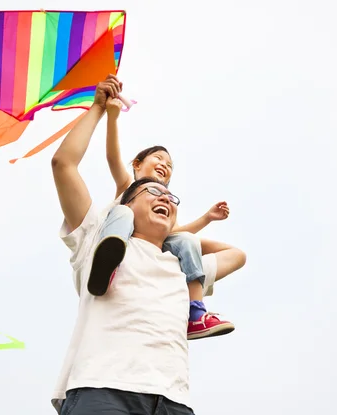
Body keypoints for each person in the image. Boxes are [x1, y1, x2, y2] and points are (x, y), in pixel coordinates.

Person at [50, 75, 245, 414]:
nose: (164, 194)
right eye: (154, 191)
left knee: (184, 241)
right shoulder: (104, 225)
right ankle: (105, 268)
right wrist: (103, 110)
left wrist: (184, 234)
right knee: (128, 222)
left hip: (172, 401)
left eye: (170, 195)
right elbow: (64, 164)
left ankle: (195, 314)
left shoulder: (179, 266)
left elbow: (237, 255)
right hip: (103, 390)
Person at [87, 88, 246, 340]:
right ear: (138, 164)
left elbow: (174, 235)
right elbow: (112, 155)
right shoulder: (128, 185)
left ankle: (195, 313)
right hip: (127, 240)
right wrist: (113, 117)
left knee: (187, 241)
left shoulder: (165, 205)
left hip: (155, 244)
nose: (164, 165)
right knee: (123, 214)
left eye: (169, 165)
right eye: (158, 158)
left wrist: (206, 219)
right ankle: (108, 262)